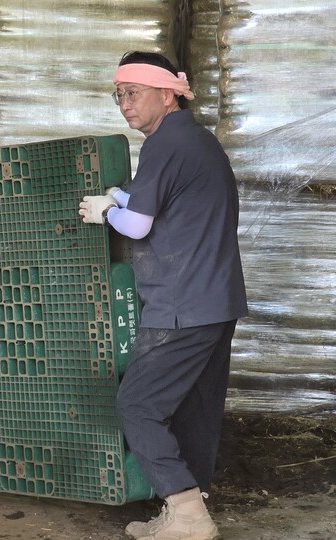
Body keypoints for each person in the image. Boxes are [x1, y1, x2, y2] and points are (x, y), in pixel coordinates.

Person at [78, 51, 248, 540]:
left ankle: (189, 515)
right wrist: (120, 194)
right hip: (216, 300)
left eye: (132, 93)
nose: (124, 105)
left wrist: (104, 211)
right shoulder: (195, 140)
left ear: (166, 94)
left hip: (181, 303)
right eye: (119, 95)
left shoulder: (165, 143)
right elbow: (160, 200)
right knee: (194, 404)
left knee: (138, 403)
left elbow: (136, 223)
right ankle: (188, 510)